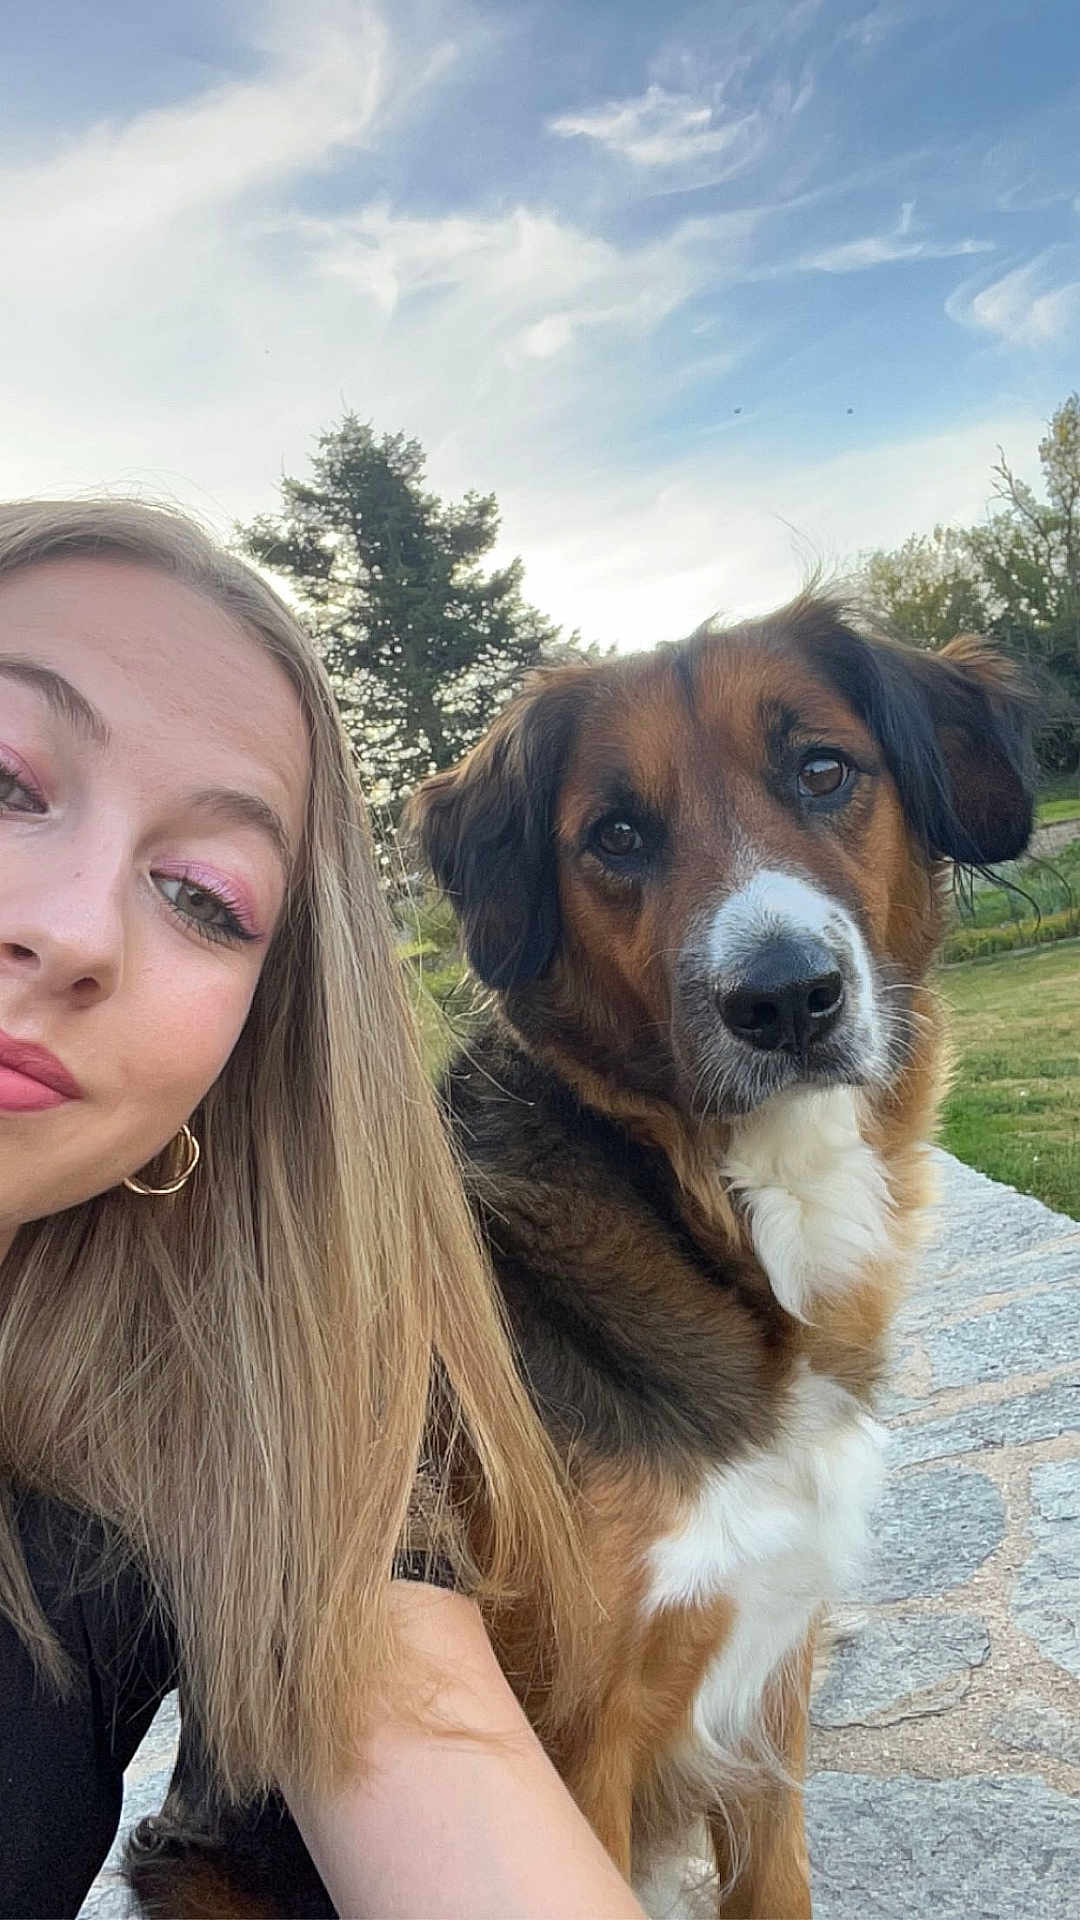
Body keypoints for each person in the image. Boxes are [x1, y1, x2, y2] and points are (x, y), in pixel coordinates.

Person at [0, 500, 645, 1919]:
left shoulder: (211, 1393)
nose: (77, 929)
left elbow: (436, 1731)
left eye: (203, 897)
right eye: (4, 779)